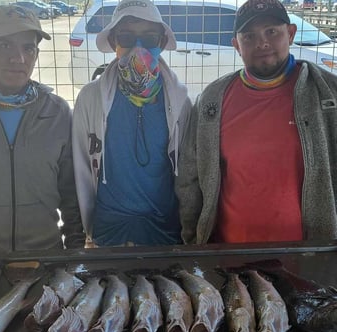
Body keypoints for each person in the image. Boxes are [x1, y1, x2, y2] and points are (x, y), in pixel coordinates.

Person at [176, 0, 337, 244]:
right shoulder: (212, 101)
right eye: (249, 36)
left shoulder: (328, 94)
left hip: (307, 257)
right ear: (236, 46)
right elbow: (189, 177)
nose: (262, 43)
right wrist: (192, 243)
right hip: (228, 258)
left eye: (271, 32)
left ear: (291, 34)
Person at [72, 0, 192, 247]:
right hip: (109, 232)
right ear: (114, 41)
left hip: (164, 231)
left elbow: (188, 174)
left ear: (161, 42)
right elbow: (80, 167)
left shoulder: (180, 100)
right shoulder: (91, 97)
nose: (138, 48)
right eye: (126, 37)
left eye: (149, 39)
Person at [0, 5, 85, 251]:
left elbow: (71, 194)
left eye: (28, 48)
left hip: (45, 256)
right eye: (5, 45)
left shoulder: (57, 112)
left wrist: (75, 253)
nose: (19, 59)